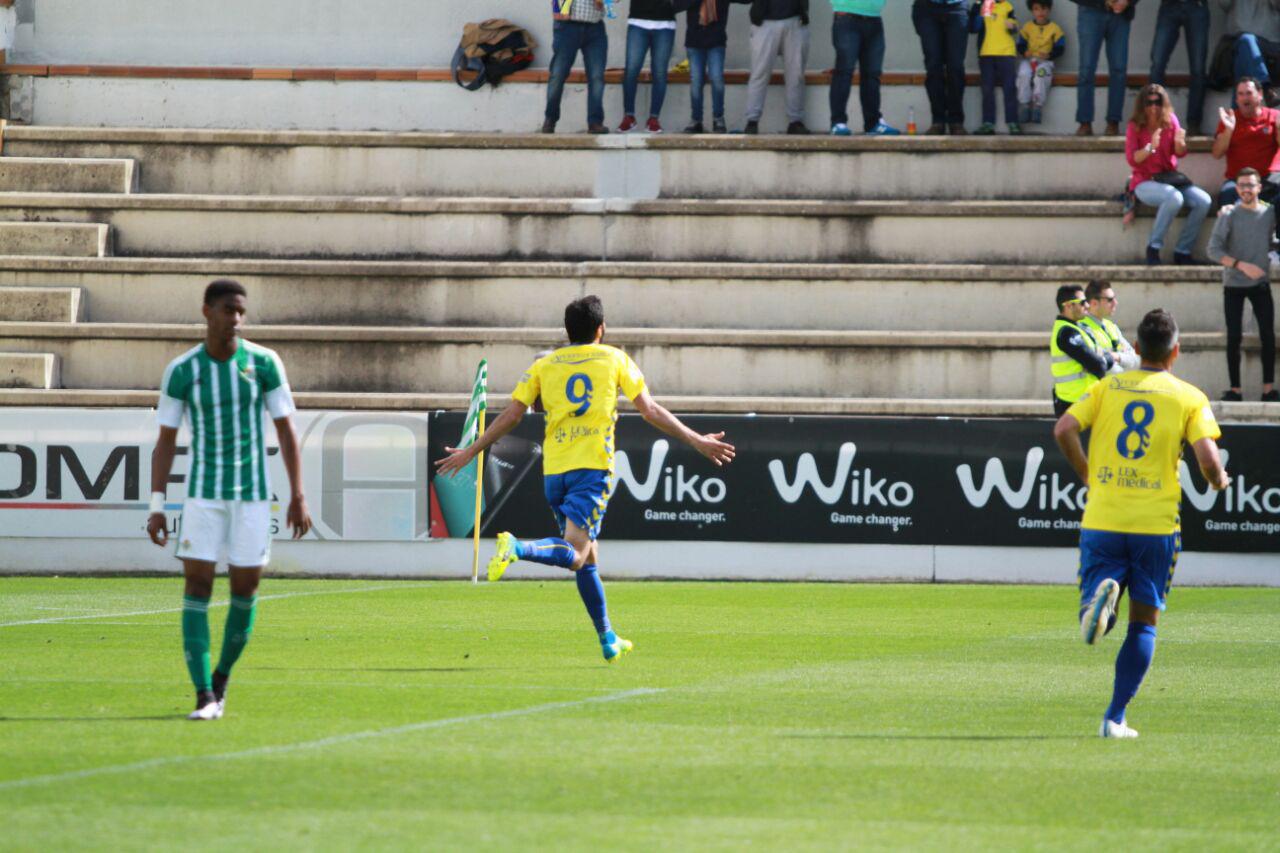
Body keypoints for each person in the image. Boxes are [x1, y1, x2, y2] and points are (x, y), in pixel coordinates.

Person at [435, 296, 736, 662]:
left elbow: (513, 415)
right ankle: (517, 548)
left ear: (567, 331)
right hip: (592, 469)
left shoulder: (545, 365)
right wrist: (696, 440)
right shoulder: (614, 359)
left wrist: (471, 451)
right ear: (601, 328)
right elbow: (650, 410)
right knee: (576, 552)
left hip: (555, 472)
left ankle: (607, 637)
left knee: (588, 556)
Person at [1054, 308, 1229, 738]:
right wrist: (1218, 479)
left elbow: (1064, 429)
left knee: (1098, 601)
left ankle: (1097, 609)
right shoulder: (1188, 396)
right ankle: (1114, 718)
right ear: (1176, 351)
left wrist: (1086, 473)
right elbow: (1207, 459)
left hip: (1104, 514)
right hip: (1156, 524)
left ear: (1137, 348)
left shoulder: (1108, 386)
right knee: (1145, 622)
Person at [146, 279, 312, 721]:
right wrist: (156, 505)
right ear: (207, 312)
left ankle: (221, 677)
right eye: (226, 310)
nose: (235, 319)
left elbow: (286, 431)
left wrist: (297, 494)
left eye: (240, 311)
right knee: (197, 586)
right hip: (203, 498)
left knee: (246, 589)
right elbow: (165, 442)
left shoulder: (263, 363)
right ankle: (202, 693)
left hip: (254, 499)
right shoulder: (183, 370)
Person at [1206, 167, 1280, 401]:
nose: (1246, 190)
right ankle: (1235, 390)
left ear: (1259, 187)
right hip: (1234, 284)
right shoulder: (1228, 214)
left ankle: (1268, 389)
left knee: (1268, 335)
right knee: (1234, 337)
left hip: (1260, 282)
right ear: (1236, 188)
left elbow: (1269, 240)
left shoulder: (1269, 213)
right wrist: (1241, 265)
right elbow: (1213, 250)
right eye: (1242, 185)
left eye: (1251, 185)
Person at [1125, 83, 1211, 266]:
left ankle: (1182, 251)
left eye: (1158, 102)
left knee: (1204, 201)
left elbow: (1179, 153)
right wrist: (1150, 148)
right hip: (1144, 181)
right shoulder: (1135, 126)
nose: (1153, 107)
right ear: (1142, 104)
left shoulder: (1171, 121)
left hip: (1170, 178)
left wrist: (1181, 143)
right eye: (1149, 103)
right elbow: (1133, 159)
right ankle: (1153, 247)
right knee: (1174, 199)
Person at [675, 0, 751, 134]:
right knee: (696, 82)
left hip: (716, 40)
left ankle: (718, 119)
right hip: (694, 40)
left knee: (716, 79)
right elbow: (676, 5)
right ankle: (696, 120)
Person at [1070, 0, 1142, 137]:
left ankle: (1113, 122)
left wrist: (1127, 1)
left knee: (1119, 70)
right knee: (1086, 69)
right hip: (1090, 12)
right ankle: (1085, 123)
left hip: (1120, 15)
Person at [828, 0, 900, 136]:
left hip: (874, 18)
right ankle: (838, 123)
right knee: (844, 72)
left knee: (872, 74)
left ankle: (873, 123)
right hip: (847, 17)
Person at [743, 0, 811, 134]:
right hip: (764, 22)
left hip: (795, 20)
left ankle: (795, 121)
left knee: (796, 74)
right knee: (759, 73)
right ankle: (752, 121)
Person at [543, 0, 610, 135]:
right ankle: (550, 119)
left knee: (597, 76)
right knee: (558, 74)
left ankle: (595, 122)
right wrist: (556, 9)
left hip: (595, 27)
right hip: (567, 26)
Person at [1212, 78, 1280, 211]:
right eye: (1240, 94)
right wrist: (1229, 130)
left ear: (1259, 95)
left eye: (1248, 93)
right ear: (1236, 99)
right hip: (1238, 180)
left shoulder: (1275, 116)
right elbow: (1217, 153)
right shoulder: (1229, 119)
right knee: (1226, 197)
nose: (1244, 98)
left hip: (1270, 177)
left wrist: (1278, 129)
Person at [1051, 284, 1115, 417]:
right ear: (1068, 306)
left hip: (1084, 402)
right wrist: (1108, 358)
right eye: (1082, 302)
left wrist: (1104, 358)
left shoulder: (1080, 328)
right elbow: (1099, 366)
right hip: (1073, 404)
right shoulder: (1066, 332)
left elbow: (1100, 359)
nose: (1087, 305)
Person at [1149, 0, 1209, 134]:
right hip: (1169, 5)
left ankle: (1194, 123)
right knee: (1157, 63)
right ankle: (1154, 119)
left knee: (1198, 68)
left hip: (1196, 5)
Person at [619, 0, 678, 133]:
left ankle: (654, 119)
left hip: (665, 24)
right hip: (637, 21)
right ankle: (629, 117)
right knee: (631, 70)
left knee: (660, 73)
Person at [913, 0, 970, 135]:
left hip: (957, 7)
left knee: (955, 67)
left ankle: (956, 121)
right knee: (933, 67)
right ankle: (937, 121)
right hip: (926, 9)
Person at [970, 0, 1022, 134]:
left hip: (1006, 53)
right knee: (987, 89)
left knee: (1009, 88)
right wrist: (979, 12)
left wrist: (1012, 26)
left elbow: (1015, 27)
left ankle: (1013, 122)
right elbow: (973, 28)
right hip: (986, 53)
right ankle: (988, 123)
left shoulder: (1007, 5)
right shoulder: (982, 4)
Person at [1016, 0, 1066, 125]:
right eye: (1037, 9)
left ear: (1049, 10)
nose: (1041, 12)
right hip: (1029, 60)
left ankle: (1037, 106)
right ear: (1032, 11)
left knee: (1041, 76)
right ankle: (1025, 105)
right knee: (1023, 74)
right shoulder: (1027, 27)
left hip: (1044, 62)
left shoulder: (1055, 28)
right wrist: (1024, 52)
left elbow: (1060, 48)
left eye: (1044, 9)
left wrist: (1050, 55)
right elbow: (1020, 44)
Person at [1220, 0, 1280, 104]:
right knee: (1246, 42)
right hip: (1239, 39)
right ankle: (1265, 87)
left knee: (1242, 66)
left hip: (1270, 43)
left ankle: (1236, 116)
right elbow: (1224, 4)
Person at [1081, 279, 1142, 372]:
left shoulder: (1111, 327)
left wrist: (1116, 356)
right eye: (1110, 300)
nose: (1115, 303)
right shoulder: (1082, 328)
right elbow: (1102, 366)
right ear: (1094, 303)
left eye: (1114, 298)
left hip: (1114, 385)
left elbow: (1136, 360)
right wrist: (1123, 359)